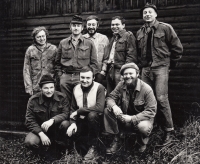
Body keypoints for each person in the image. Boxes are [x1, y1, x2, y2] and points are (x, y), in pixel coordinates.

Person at [136, 3, 183, 145]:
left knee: (162, 98)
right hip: (146, 69)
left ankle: (169, 131)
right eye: (145, 13)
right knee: (146, 99)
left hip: (161, 67)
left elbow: (177, 49)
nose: (147, 15)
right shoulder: (140, 32)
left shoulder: (165, 28)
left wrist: (169, 66)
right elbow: (139, 53)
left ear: (155, 14)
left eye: (150, 12)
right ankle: (150, 128)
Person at [104, 63, 157, 154]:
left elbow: (151, 111)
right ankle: (117, 138)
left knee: (143, 127)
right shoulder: (121, 85)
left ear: (137, 74)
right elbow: (110, 98)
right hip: (125, 117)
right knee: (107, 111)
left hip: (141, 120)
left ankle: (142, 141)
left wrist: (132, 118)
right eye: (125, 74)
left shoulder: (147, 89)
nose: (128, 76)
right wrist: (114, 106)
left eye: (131, 73)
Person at [55, 15, 98, 102]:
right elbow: (57, 62)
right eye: (74, 25)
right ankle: (67, 115)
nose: (76, 28)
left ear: (82, 28)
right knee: (65, 101)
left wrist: (89, 76)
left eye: (78, 26)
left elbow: (94, 63)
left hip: (81, 76)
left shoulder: (89, 43)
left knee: (80, 101)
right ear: (70, 27)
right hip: (66, 76)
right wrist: (60, 76)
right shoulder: (63, 43)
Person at [66, 66, 105, 161]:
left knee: (92, 115)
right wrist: (72, 123)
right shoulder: (76, 88)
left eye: (88, 78)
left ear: (93, 78)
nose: (85, 80)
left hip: (96, 121)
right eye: (82, 77)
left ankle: (93, 147)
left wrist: (79, 111)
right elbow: (72, 108)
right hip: (81, 120)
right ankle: (72, 151)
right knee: (68, 128)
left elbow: (99, 108)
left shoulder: (99, 87)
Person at [24, 74, 70, 152]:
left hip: (56, 130)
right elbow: (29, 120)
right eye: (46, 88)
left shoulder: (62, 97)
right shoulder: (33, 100)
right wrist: (41, 133)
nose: (49, 91)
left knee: (66, 124)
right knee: (30, 142)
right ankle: (43, 149)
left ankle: (60, 146)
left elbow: (66, 113)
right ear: (41, 88)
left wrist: (52, 120)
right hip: (41, 130)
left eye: (51, 87)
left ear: (54, 87)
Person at [105, 16, 137, 95]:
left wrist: (125, 72)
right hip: (111, 70)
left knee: (121, 94)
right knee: (111, 94)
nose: (114, 27)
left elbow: (131, 56)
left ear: (123, 25)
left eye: (117, 24)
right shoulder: (113, 38)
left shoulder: (128, 36)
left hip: (120, 71)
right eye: (112, 25)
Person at [23, 26, 57, 95]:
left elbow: (58, 67)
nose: (41, 39)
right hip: (36, 86)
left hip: (50, 86)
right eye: (38, 37)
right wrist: (28, 87)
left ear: (46, 36)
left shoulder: (53, 49)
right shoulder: (30, 50)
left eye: (43, 36)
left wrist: (56, 85)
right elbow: (26, 69)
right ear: (34, 38)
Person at [83, 15, 109, 84]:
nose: (91, 27)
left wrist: (103, 71)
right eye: (89, 24)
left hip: (99, 73)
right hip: (84, 73)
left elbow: (106, 58)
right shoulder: (81, 38)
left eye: (93, 24)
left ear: (97, 26)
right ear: (86, 25)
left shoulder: (104, 38)